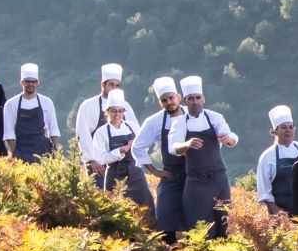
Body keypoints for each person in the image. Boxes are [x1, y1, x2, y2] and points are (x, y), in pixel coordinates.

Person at [168, 76, 239, 238]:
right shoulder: (179, 122)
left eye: (197, 98)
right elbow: (174, 147)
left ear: (203, 99)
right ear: (185, 102)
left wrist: (229, 140)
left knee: (226, 223)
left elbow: (231, 136)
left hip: (219, 178)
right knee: (199, 227)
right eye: (190, 99)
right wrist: (187, 144)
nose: (195, 102)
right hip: (196, 181)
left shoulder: (215, 117)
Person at [132, 77, 188, 241]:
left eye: (171, 98)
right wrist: (155, 171)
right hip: (171, 175)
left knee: (197, 217)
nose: (169, 102)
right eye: (165, 100)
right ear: (160, 103)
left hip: (193, 174)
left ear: (178, 97)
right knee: (165, 213)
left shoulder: (192, 114)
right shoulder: (154, 122)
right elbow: (137, 147)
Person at [92, 89, 152, 210]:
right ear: (107, 112)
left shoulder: (133, 126)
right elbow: (100, 158)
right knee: (114, 209)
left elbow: (145, 147)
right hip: (114, 175)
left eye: (120, 110)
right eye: (113, 111)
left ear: (124, 112)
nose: (117, 114)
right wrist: (120, 151)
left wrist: (134, 146)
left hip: (136, 173)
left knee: (146, 206)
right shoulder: (101, 132)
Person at [75, 64, 137, 180]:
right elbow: (82, 135)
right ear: (103, 84)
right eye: (111, 85)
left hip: (124, 163)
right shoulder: (88, 105)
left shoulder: (125, 105)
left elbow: (136, 132)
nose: (114, 88)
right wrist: (91, 161)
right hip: (99, 165)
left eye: (117, 86)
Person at [3, 63, 60, 163]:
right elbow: (9, 133)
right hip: (21, 150)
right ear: (22, 82)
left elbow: (53, 129)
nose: (30, 84)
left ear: (37, 82)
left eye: (33, 81)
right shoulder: (11, 104)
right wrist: (14, 153)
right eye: (27, 81)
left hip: (42, 149)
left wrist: (56, 153)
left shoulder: (47, 102)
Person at [256, 106, 298, 214]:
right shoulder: (267, 157)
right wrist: (276, 212)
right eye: (283, 127)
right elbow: (264, 191)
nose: (288, 130)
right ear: (275, 131)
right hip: (282, 214)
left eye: (291, 127)